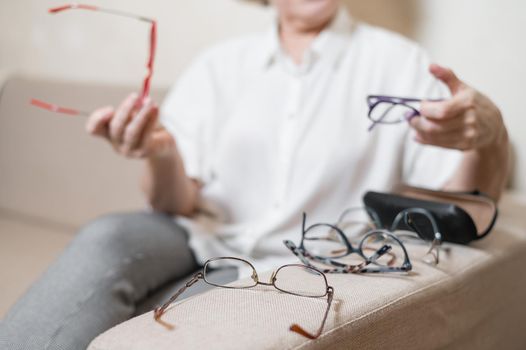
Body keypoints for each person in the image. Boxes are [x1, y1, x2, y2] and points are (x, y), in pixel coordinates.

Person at [0, 0, 510, 349]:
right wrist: (160, 153)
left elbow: (461, 206)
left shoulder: (401, 64)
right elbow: (175, 202)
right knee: (107, 235)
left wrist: (489, 136)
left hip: (293, 269)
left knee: (160, 324)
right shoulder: (221, 65)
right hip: (194, 234)